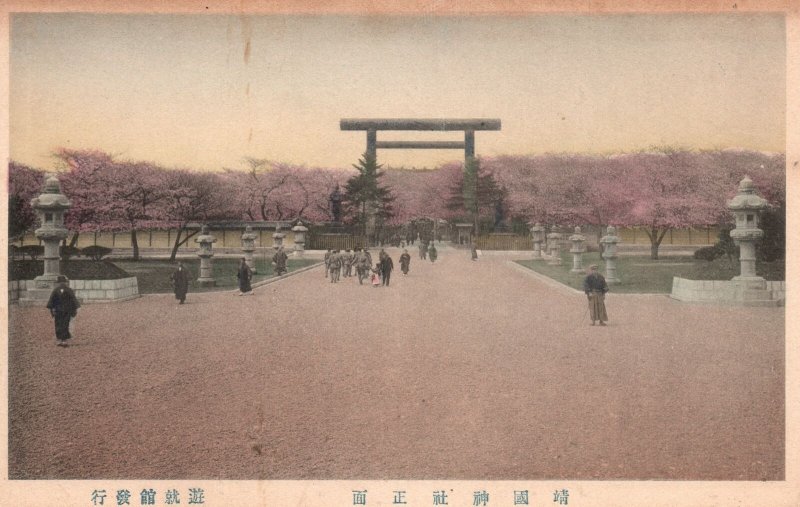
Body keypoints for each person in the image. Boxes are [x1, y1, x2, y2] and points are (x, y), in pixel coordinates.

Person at [47, 275, 80, 347]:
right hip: (66, 310)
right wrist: (75, 309)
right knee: (65, 323)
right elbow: (73, 300)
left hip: (59, 310)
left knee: (59, 324)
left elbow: (51, 300)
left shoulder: (56, 290)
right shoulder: (69, 290)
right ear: (65, 282)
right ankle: (63, 340)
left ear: (58, 283)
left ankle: (60, 339)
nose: (62, 284)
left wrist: (52, 308)